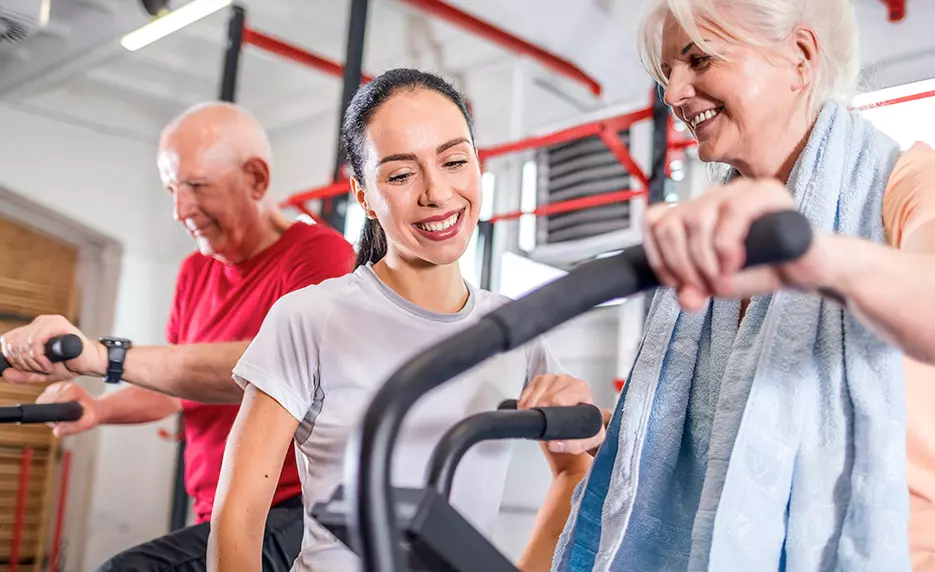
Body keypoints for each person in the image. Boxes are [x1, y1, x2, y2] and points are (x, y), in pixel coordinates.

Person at [551, 0, 935, 571]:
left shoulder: (904, 185)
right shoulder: (715, 233)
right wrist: (617, 440)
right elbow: (730, 445)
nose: (674, 93)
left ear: (800, 57)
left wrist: (811, 255)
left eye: (698, 59)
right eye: (667, 73)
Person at [206, 68, 604, 572]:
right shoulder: (309, 317)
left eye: (455, 161)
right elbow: (238, 518)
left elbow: (575, 473)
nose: (437, 193)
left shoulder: (516, 329)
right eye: (400, 175)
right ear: (365, 196)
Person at [0, 102, 357, 571]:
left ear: (256, 179)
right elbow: (174, 390)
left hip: (302, 511)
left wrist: (101, 356)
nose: (180, 210)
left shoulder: (321, 255)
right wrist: (99, 408)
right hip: (225, 511)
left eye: (196, 186)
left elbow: (275, 369)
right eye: (172, 190)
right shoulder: (195, 273)